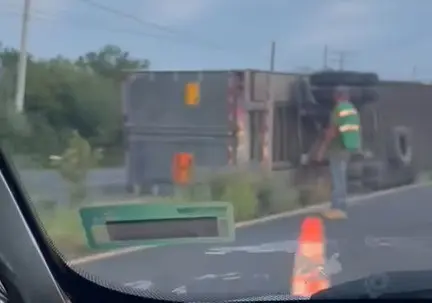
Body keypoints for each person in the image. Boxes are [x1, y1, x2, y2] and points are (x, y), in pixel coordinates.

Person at [314, 86, 362, 219]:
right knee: (342, 175)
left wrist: (322, 149)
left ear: (337, 96)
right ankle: (342, 204)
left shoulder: (338, 110)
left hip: (338, 148)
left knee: (337, 177)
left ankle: (337, 207)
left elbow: (332, 131)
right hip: (348, 147)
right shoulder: (352, 109)